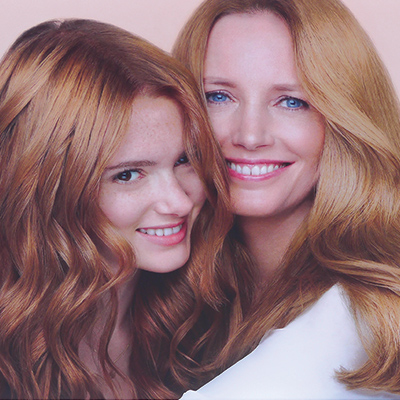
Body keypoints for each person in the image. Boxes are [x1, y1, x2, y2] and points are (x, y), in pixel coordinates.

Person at [0, 18, 249, 399]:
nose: (180, 201)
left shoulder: (206, 326)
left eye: (185, 159)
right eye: (129, 175)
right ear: (50, 190)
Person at [173, 0, 400, 398]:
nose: (250, 135)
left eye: (292, 101)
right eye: (219, 97)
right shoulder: (192, 286)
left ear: (344, 121)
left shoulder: (358, 316)